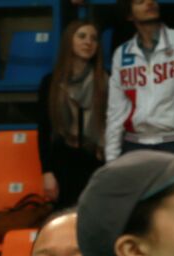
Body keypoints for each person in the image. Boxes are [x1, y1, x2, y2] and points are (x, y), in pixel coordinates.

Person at [105, 0, 174, 161]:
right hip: (134, 144)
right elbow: (116, 110)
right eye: (140, 1)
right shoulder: (122, 53)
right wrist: (111, 158)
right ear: (129, 14)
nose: (149, 3)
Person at [38, 20, 108, 207]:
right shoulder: (51, 82)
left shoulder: (106, 80)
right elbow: (44, 130)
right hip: (63, 166)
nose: (88, 42)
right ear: (69, 40)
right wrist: (47, 172)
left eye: (94, 38)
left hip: (97, 164)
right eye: (82, 36)